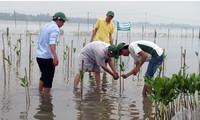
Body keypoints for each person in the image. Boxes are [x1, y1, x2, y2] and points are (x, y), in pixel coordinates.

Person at [36, 12, 68, 93]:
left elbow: (39, 40)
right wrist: (55, 57)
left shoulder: (45, 26)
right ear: (59, 20)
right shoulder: (55, 28)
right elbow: (52, 43)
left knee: (43, 77)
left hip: (39, 56)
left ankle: (40, 94)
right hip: (47, 57)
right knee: (48, 82)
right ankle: (46, 102)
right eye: (63, 21)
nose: (63, 24)